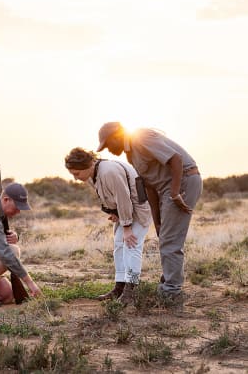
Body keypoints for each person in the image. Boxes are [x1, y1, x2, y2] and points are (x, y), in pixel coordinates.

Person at [96, 122, 203, 301]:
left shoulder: (141, 137)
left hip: (183, 180)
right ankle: (168, 283)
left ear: (116, 136)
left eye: (108, 144)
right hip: (165, 190)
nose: (108, 149)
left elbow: (175, 159)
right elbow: (149, 187)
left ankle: (171, 292)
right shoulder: (131, 155)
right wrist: (157, 221)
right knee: (165, 236)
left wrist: (175, 192)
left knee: (170, 240)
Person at [65, 147, 152, 304]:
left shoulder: (108, 171)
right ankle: (120, 287)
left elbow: (124, 197)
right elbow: (110, 197)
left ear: (88, 165)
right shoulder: (94, 174)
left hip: (137, 211)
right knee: (119, 245)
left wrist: (126, 227)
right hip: (124, 213)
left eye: (77, 173)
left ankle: (131, 291)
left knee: (131, 246)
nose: (76, 178)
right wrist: (114, 212)